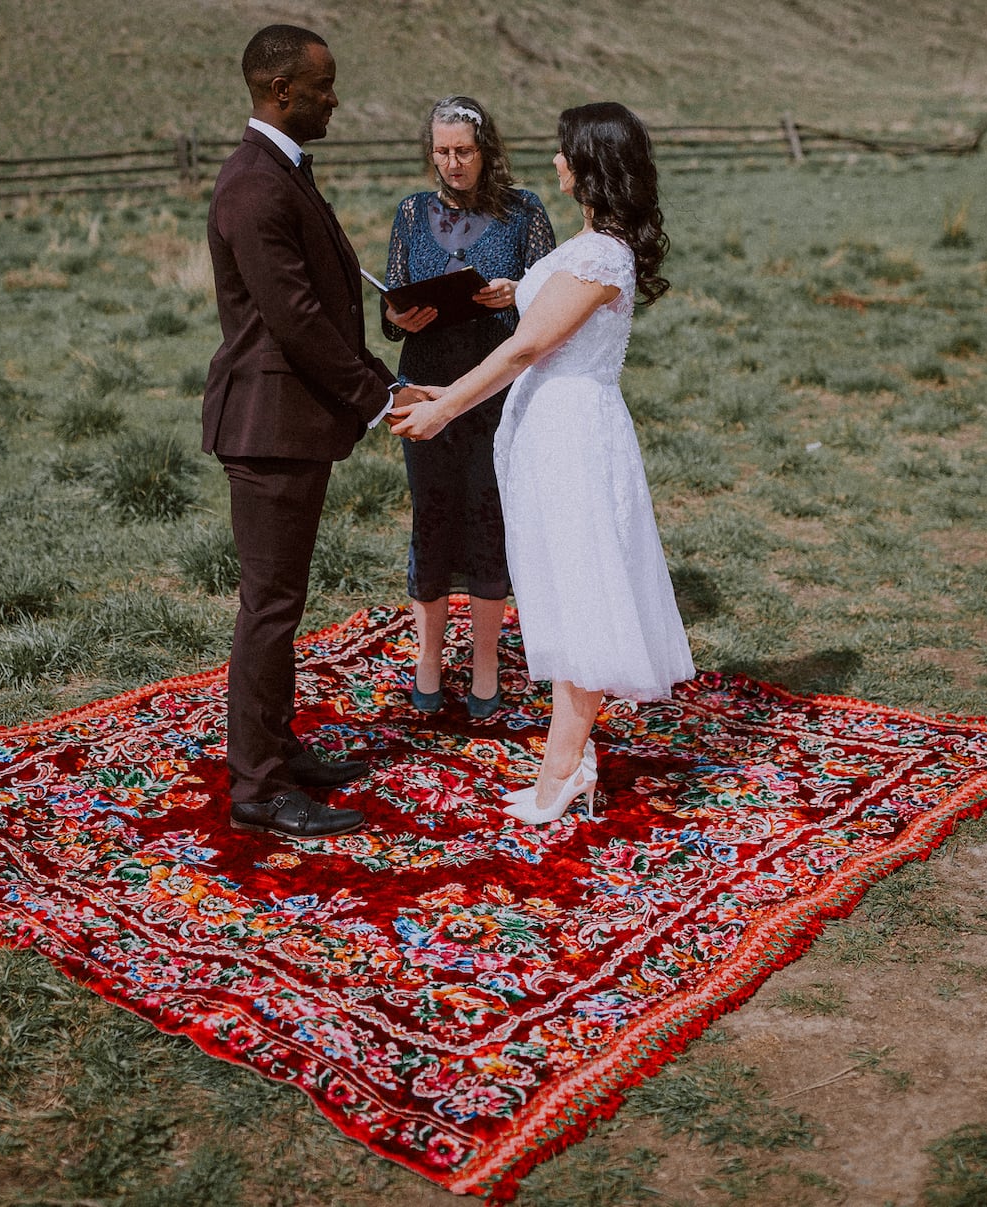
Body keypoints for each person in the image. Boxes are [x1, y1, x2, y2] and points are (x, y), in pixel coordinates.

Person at [389, 102, 695, 824]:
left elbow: (525, 348)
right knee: (557, 589)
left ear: (590, 164)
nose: (555, 162)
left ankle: (561, 771)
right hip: (546, 429)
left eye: (565, 152)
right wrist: (439, 388)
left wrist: (445, 409)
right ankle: (570, 758)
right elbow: (530, 350)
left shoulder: (600, 255)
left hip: (575, 437)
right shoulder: (589, 242)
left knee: (582, 591)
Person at [203, 25, 425, 839]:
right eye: (325, 87)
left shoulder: (279, 173)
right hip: (269, 426)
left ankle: (278, 747)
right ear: (282, 92)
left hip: (291, 422)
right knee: (269, 607)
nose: (337, 99)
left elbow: (316, 294)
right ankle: (258, 788)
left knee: (282, 603)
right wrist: (383, 397)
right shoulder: (254, 187)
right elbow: (293, 320)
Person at [382, 96, 555, 720]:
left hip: (496, 393)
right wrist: (397, 314)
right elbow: (389, 308)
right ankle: (428, 662)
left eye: (464, 151)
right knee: (430, 516)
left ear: (486, 151)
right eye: (442, 151)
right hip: (424, 390)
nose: (452, 163)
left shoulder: (525, 212)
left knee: (488, 519)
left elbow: (554, 310)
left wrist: (519, 291)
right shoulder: (409, 212)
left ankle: (486, 668)